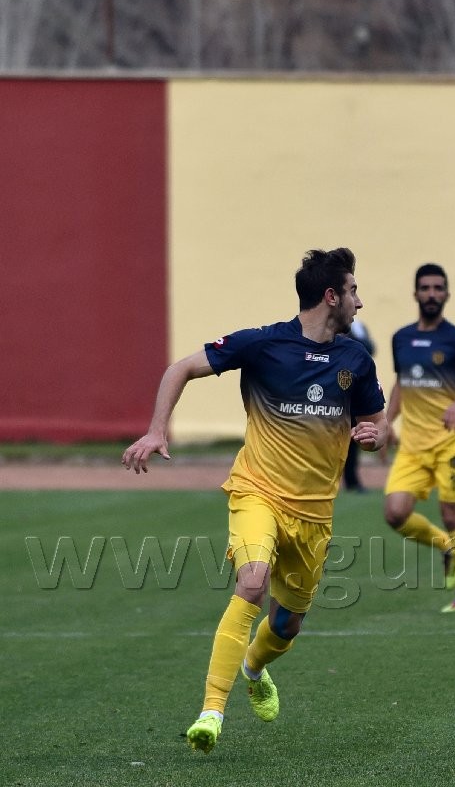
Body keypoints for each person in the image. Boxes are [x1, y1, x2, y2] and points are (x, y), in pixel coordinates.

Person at [121, 248, 387, 754]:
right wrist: (157, 430)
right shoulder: (262, 344)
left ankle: (254, 667)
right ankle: (211, 712)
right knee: (252, 582)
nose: (360, 300)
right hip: (256, 492)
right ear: (331, 297)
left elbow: (377, 423)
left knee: (287, 624)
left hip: (314, 514)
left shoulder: (356, 360)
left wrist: (375, 436)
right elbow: (180, 367)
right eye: (353, 290)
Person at [382, 263, 455, 613]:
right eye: (425, 288)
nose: (431, 294)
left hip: (449, 443)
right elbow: (402, 384)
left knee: (452, 514)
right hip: (412, 445)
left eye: (437, 288)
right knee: (395, 513)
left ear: (446, 294)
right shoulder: (400, 338)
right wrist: (386, 423)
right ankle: (446, 546)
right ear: (415, 293)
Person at [343, 318, 376, 493]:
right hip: (333, 388)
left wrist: (354, 338)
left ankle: (352, 480)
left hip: (353, 387)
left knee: (354, 436)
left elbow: (370, 348)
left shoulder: (358, 326)